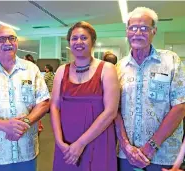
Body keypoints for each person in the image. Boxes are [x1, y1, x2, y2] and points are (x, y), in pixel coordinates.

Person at [0, 25, 50, 171]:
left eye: (11, 38)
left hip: (27, 149)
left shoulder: (31, 69)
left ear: (17, 42)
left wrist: (26, 121)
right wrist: (4, 126)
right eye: (1, 39)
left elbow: (43, 102)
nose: (7, 43)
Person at [115, 7, 185, 171]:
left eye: (144, 28)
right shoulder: (118, 68)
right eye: (133, 28)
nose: (137, 32)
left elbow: (180, 106)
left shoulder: (170, 61)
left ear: (154, 31)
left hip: (164, 155)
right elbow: (114, 111)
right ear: (127, 31)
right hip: (127, 155)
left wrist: (151, 146)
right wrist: (125, 145)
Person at [51, 21, 120, 171]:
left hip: (97, 139)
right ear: (69, 42)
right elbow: (54, 106)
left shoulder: (107, 69)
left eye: (84, 38)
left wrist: (80, 144)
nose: (78, 42)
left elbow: (111, 112)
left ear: (93, 41)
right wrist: (59, 141)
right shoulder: (62, 70)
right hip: (67, 143)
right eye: (74, 38)